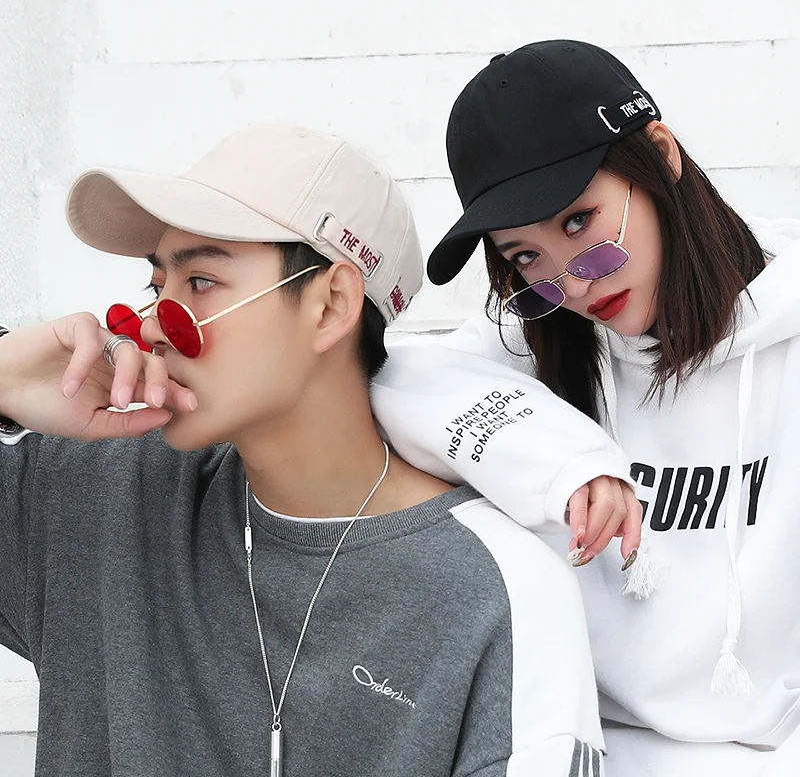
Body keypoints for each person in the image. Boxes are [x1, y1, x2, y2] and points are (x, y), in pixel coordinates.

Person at [0, 123, 609, 776]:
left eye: (199, 282)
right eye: (156, 289)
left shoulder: (497, 593)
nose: (150, 328)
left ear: (331, 306)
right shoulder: (90, 495)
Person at [371, 41, 800, 775]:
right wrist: (568, 461)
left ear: (660, 155)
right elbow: (390, 375)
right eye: (525, 258)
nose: (570, 284)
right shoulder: (541, 344)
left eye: (578, 224)